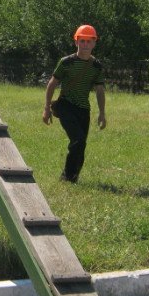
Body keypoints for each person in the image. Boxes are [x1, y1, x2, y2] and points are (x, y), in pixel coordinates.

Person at [42, 25, 106, 183]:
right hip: (66, 106)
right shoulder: (66, 62)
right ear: (76, 42)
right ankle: (67, 177)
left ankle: (73, 177)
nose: (85, 44)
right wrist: (46, 109)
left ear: (94, 43)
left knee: (81, 144)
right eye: (82, 40)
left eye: (89, 41)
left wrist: (102, 113)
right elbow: (52, 83)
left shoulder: (96, 66)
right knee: (77, 139)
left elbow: (99, 90)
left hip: (84, 109)